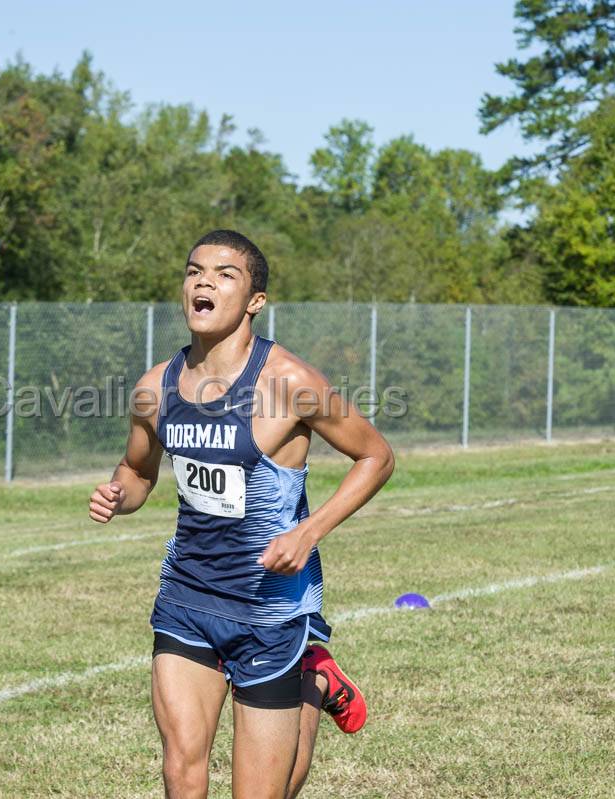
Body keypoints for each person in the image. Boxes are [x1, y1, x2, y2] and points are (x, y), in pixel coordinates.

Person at [88, 229, 395, 798]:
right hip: (187, 597)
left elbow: (376, 456)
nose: (204, 281)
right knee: (183, 768)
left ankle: (314, 680)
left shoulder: (290, 382)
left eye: (225, 274)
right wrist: (117, 495)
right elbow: (136, 471)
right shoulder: (156, 387)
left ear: (255, 301)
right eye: (194, 270)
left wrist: (309, 531)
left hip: (269, 609)